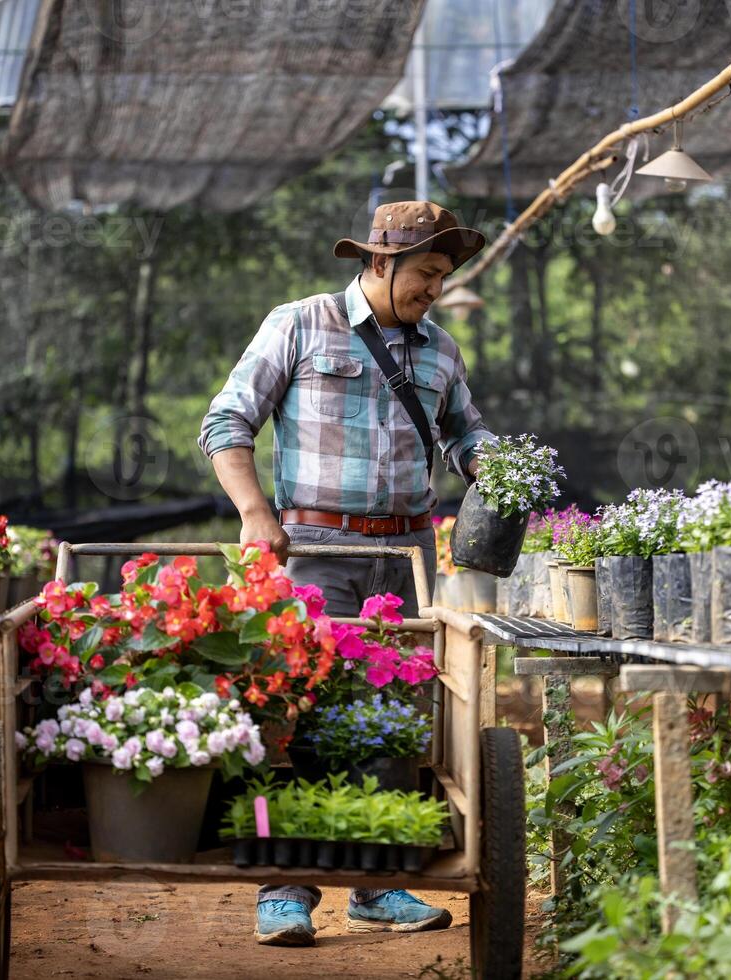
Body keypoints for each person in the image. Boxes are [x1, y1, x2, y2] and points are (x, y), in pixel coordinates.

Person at [198, 200, 496, 947]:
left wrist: (494, 463)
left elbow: (465, 435)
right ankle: (281, 888)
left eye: (442, 276)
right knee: (285, 715)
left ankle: (378, 883)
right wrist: (254, 514)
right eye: (425, 273)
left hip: (406, 558)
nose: (435, 288)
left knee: (388, 719)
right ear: (378, 263)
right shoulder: (297, 324)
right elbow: (225, 422)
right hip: (313, 550)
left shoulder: (441, 352)